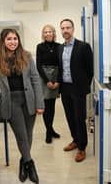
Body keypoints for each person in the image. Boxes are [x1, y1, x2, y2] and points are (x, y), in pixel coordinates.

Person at [0, 28, 44, 183]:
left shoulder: (27, 56)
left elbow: (36, 80)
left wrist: (40, 103)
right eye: (9, 39)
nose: (13, 42)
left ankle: (23, 161)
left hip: (29, 100)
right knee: (21, 135)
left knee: (28, 134)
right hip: (10, 102)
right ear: (3, 41)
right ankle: (30, 165)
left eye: (15, 39)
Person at [58, 18, 93, 162]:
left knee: (79, 118)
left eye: (68, 28)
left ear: (73, 29)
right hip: (65, 87)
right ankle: (75, 140)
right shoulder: (60, 48)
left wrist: (84, 86)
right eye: (63, 28)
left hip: (78, 89)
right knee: (70, 117)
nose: (65, 30)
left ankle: (82, 148)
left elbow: (90, 70)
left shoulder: (83, 47)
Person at [36, 24, 61, 144]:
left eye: (50, 32)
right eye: (45, 32)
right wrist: (47, 81)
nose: (47, 34)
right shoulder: (40, 47)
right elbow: (38, 66)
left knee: (52, 105)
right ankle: (48, 131)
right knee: (46, 106)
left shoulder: (59, 46)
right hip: (44, 77)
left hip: (56, 76)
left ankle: (51, 129)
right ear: (43, 34)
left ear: (54, 33)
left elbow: (62, 64)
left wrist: (57, 81)